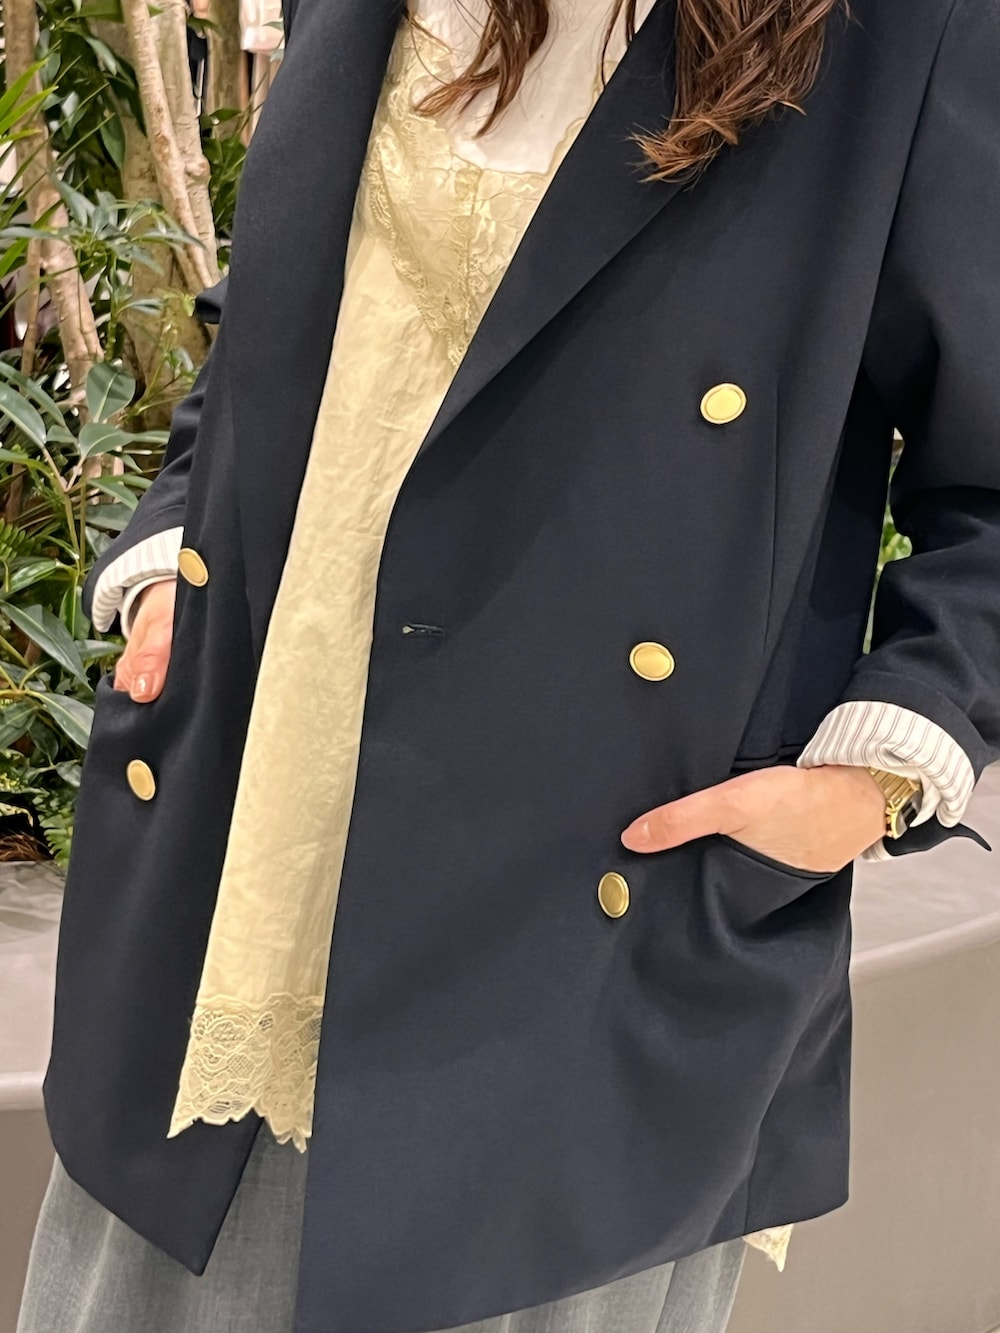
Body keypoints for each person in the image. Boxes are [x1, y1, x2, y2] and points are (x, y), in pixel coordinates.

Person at [17, 0, 1000, 1330]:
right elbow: (289, 312)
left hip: (584, 920)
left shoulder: (907, 31)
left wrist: (873, 771)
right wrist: (174, 551)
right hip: (247, 848)